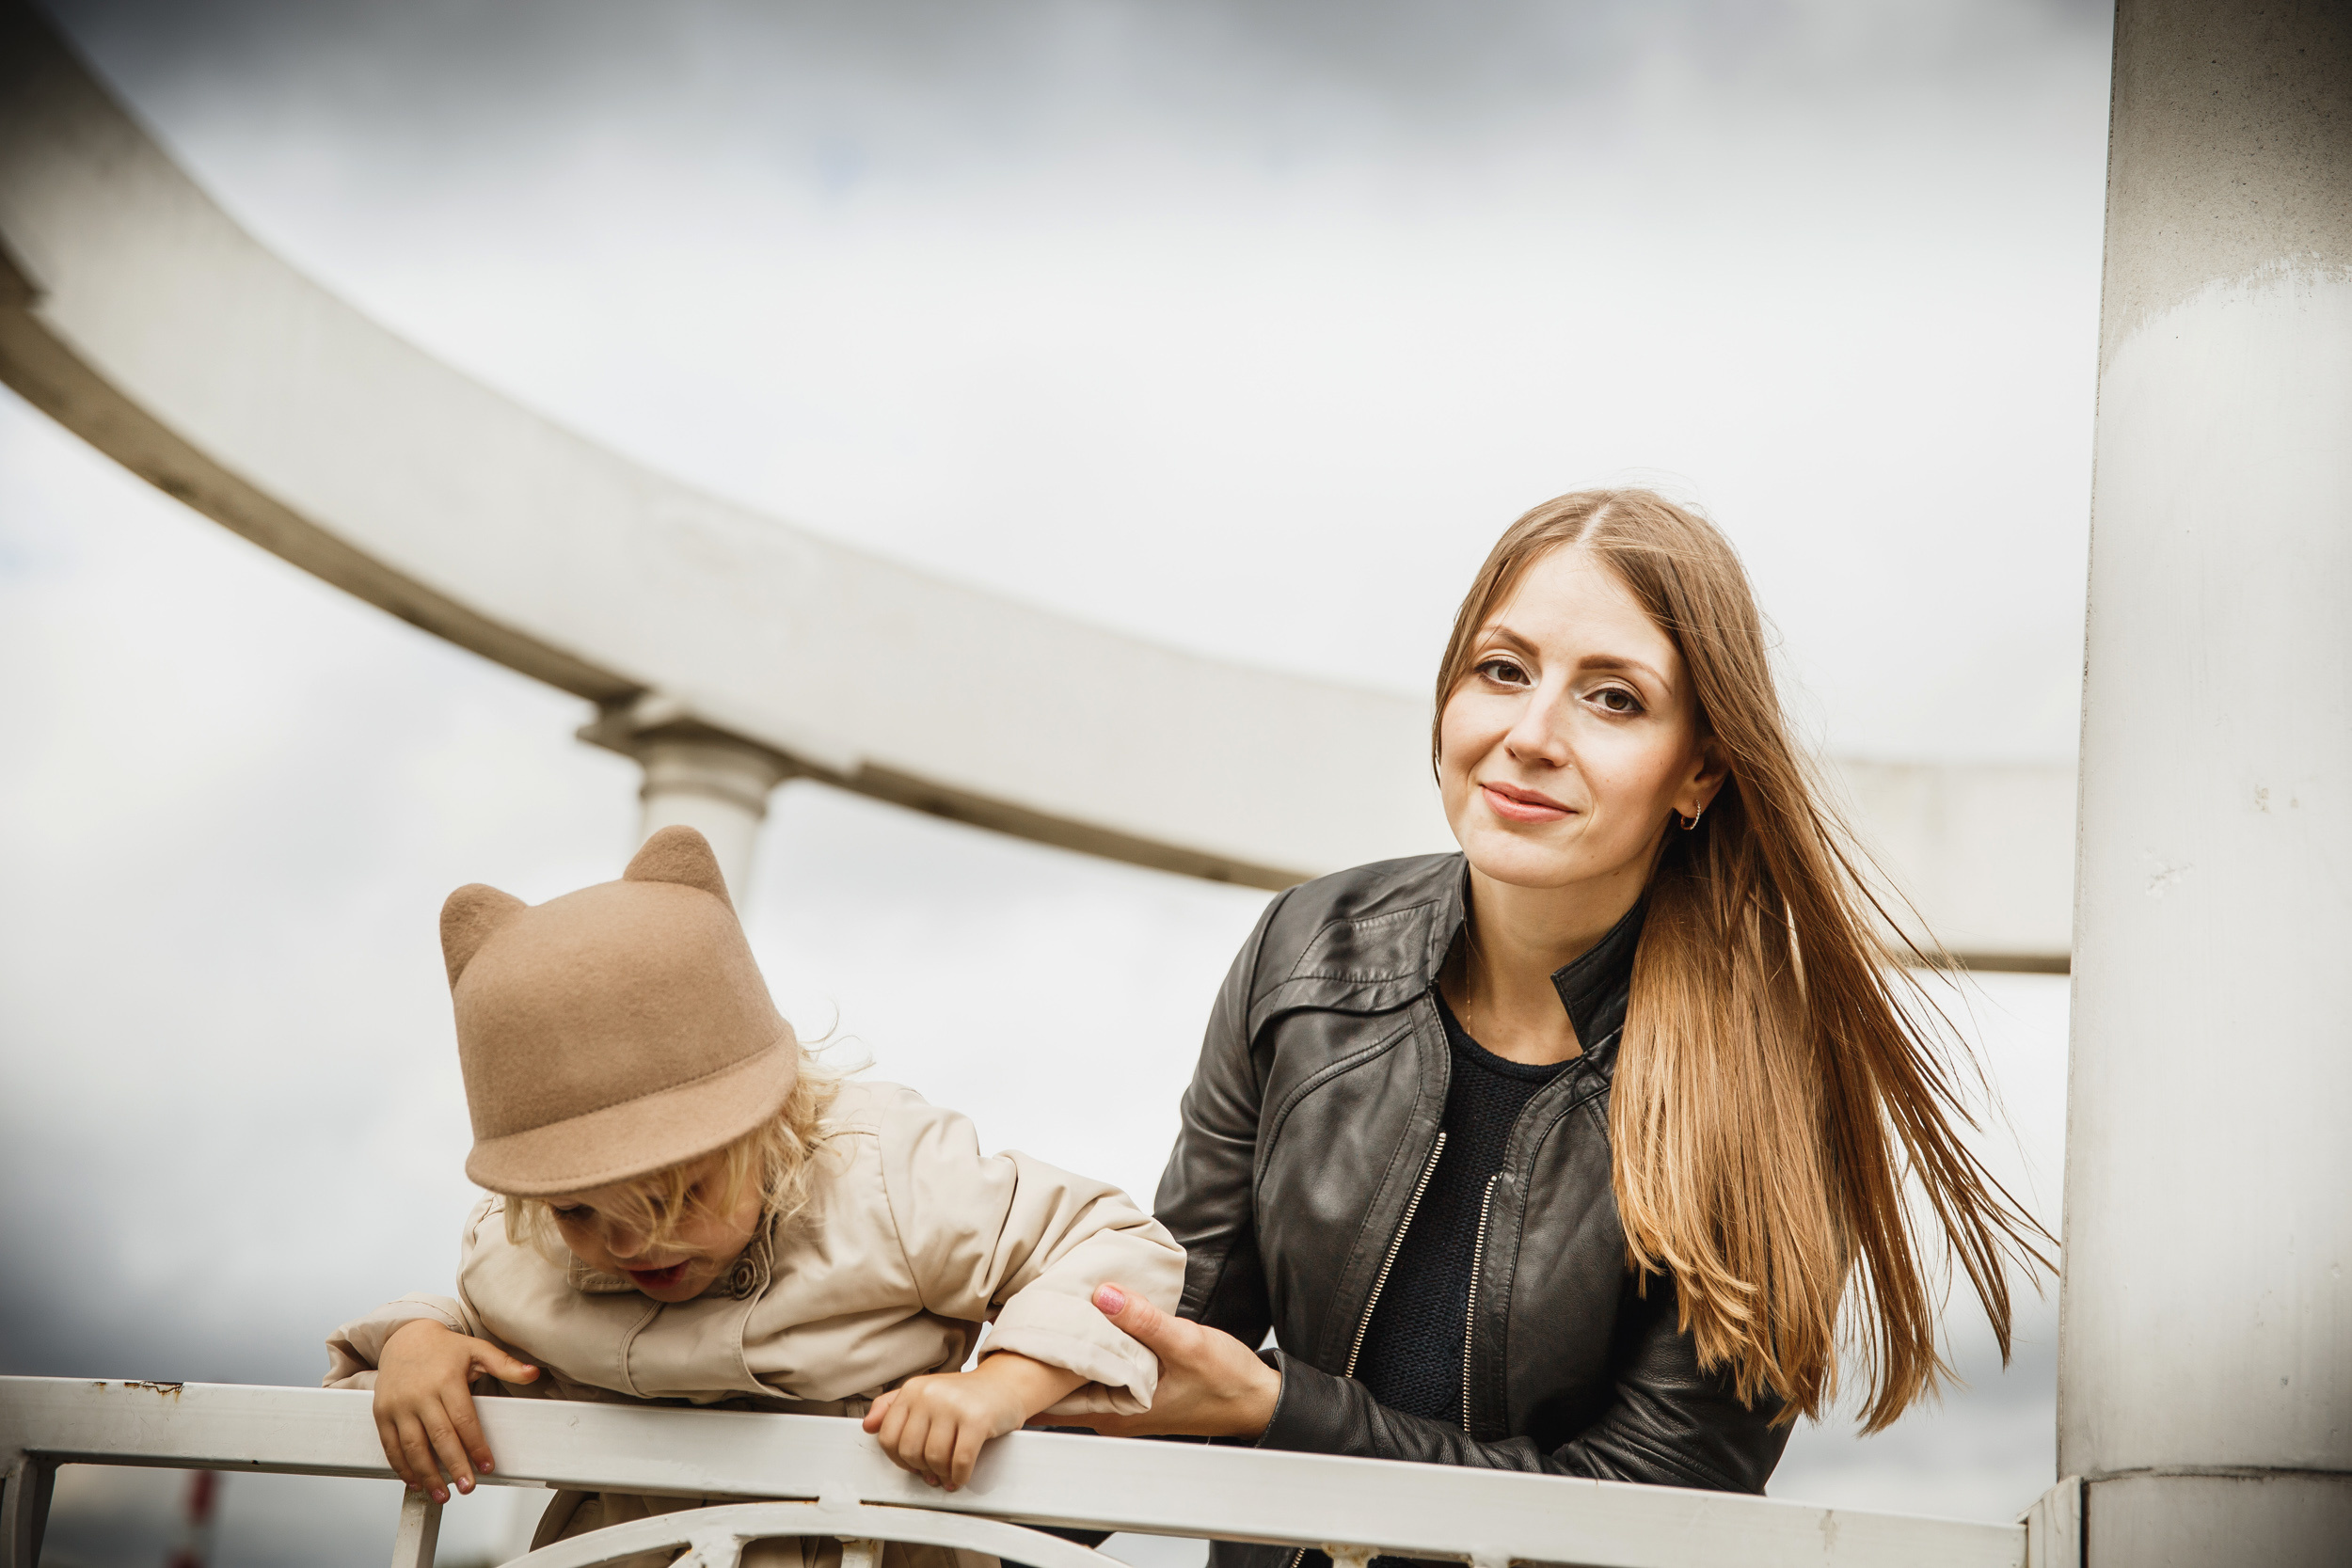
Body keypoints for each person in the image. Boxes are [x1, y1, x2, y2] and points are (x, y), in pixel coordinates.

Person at [1069, 488, 2049, 1564]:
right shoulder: (1308, 950)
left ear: (1701, 769)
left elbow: (1654, 1504)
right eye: (1502, 669)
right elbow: (1162, 1333)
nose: (1528, 735)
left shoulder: (1767, 1071)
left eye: (1613, 699)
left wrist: (1282, 1409)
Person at [323, 825, 1183, 1568]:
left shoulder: (883, 1176)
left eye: (681, 1194)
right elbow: (477, 1324)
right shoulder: (526, 1249)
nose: (631, 1246)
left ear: (774, 1126)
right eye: (579, 1209)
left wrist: (999, 1386)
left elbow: (1112, 1241)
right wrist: (416, 1343)